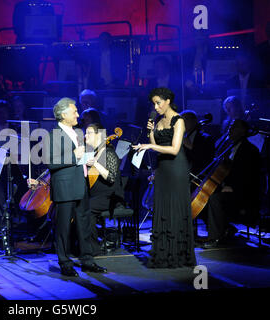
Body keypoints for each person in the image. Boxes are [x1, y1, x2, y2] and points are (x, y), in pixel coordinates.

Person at [133, 87, 196, 268]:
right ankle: (163, 254)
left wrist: (148, 146)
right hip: (162, 169)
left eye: (158, 102)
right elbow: (156, 146)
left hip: (176, 168)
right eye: (154, 103)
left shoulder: (179, 120)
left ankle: (179, 255)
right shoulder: (159, 121)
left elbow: (175, 149)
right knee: (162, 210)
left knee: (175, 210)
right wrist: (151, 134)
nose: (156, 106)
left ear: (168, 101)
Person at [46, 97, 106, 276]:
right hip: (65, 188)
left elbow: (81, 157)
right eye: (75, 111)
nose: (78, 114)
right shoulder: (53, 135)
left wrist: (88, 160)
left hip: (81, 184)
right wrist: (74, 155)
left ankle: (88, 261)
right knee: (64, 228)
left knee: (84, 226)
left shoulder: (78, 132)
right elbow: (51, 162)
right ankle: (65, 263)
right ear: (63, 114)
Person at [200, 119, 261, 248]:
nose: (230, 129)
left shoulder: (250, 150)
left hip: (243, 193)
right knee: (203, 198)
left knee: (215, 199)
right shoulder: (230, 147)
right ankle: (225, 229)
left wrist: (233, 187)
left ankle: (215, 238)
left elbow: (251, 177)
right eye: (230, 126)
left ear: (243, 131)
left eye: (234, 127)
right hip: (228, 188)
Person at [84, 122, 125, 254]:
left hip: (110, 196)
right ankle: (80, 245)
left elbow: (111, 178)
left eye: (89, 133)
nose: (85, 136)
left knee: (88, 209)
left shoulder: (109, 153)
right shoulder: (92, 153)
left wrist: (96, 163)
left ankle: (93, 249)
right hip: (96, 195)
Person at [180, 109, 215, 177]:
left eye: (185, 119)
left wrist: (191, 147)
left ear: (194, 121)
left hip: (197, 179)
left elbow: (206, 162)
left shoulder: (206, 139)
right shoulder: (182, 138)